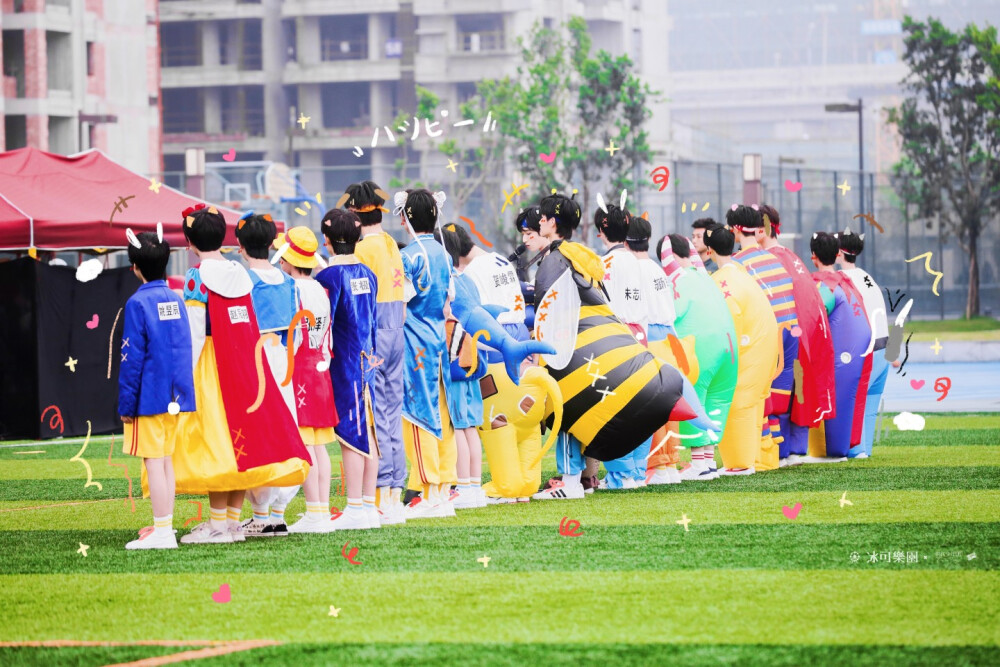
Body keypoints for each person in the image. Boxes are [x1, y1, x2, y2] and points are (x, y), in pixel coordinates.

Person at [530, 193, 699, 500]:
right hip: (631, 335)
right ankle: (631, 473)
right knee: (636, 407)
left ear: (552, 222)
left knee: (588, 410)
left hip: (593, 345)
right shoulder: (595, 258)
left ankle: (598, 478)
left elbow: (554, 307)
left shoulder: (571, 259)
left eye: (542, 217)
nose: (539, 221)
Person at [173, 205, 310, 544]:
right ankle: (232, 522)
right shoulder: (237, 273)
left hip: (210, 364)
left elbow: (193, 333)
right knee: (237, 443)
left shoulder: (196, 276)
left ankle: (219, 525)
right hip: (246, 366)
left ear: (189, 241)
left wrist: (182, 375)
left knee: (215, 444)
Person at [118, 226, 195, 549]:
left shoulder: (138, 303)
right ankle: (164, 526)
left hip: (148, 398)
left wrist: (126, 404)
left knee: (154, 462)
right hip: (175, 395)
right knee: (165, 461)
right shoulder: (175, 300)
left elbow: (131, 357)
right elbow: (183, 347)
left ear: (135, 267)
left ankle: (163, 531)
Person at [339, 182, 408, 525]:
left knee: (376, 412)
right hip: (398, 327)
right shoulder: (391, 242)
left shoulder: (363, 248)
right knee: (391, 412)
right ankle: (394, 490)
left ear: (354, 213)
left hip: (376, 331)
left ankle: (382, 495)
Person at [316, 209, 383, 530]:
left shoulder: (327, 277)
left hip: (342, 363)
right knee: (367, 430)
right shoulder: (368, 274)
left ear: (326, 240)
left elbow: (323, 324)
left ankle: (355, 505)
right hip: (366, 360)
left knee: (352, 434)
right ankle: (367, 503)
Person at [394, 189, 459, 519]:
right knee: (442, 413)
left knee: (419, 417)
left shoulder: (407, 257)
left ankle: (430, 492)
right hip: (439, 342)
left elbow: (400, 308)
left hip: (416, 344)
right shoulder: (444, 255)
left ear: (406, 218)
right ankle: (444, 488)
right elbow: (449, 303)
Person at [236, 212, 301, 538]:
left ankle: (262, 514)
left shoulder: (244, 282)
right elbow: (297, 333)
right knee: (284, 436)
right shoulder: (289, 283)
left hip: (255, 367)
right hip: (283, 367)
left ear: (240, 245)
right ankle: (277, 512)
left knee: (258, 438)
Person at [271, 226, 340, 533]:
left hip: (299, 368)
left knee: (308, 445)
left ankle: (314, 512)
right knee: (319, 445)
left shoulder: (292, 290)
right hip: (320, 367)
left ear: (288, 258)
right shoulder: (320, 290)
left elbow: (293, 336)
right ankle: (320, 509)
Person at [758, 204, 836, 465]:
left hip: (786, 335)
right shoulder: (791, 257)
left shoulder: (769, 259)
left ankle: (781, 451)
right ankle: (795, 450)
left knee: (780, 391)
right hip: (806, 334)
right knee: (797, 392)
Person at [656, 233, 736, 481]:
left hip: (702, 349)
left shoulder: (676, 280)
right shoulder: (705, 276)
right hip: (729, 348)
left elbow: (670, 313)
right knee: (716, 403)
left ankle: (699, 464)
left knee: (695, 399)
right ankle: (709, 461)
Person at [704, 223, 780, 475]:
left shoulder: (723, 280)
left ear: (710, 250)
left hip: (749, 348)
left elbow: (729, 321)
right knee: (750, 403)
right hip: (763, 346)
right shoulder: (739, 272)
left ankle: (740, 462)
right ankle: (749, 458)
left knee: (737, 401)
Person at [729, 205, 798, 471]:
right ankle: (774, 452)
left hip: (769, 335)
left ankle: (760, 454)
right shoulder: (772, 257)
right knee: (774, 395)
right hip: (790, 331)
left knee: (757, 396)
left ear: (735, 230)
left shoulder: (738, 264)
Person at [594, 194, 650, 489]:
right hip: (641, 334)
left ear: (601, 231)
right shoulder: (638, 262)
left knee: (613, 407)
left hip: (615, 336)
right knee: (641, 405)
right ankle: (636, 472)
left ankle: (621, 474)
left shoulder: (603, 264)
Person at [807, 232, 873, 461]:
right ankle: (843, 447)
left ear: (813, 256)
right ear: (837, 255)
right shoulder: (847, 282)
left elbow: (813, 318)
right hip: (859, 353)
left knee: (828, 394)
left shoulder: (822, 284)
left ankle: (830, 450)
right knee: (848, 400)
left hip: (841, 355)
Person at [837, 227, 888, 459]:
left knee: (852, 404)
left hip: (866, 352)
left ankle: (855, 449)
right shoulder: (866, 276)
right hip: (883, 350)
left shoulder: (843, 280)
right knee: (868, 408)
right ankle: (862, 450)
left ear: (838, 252)